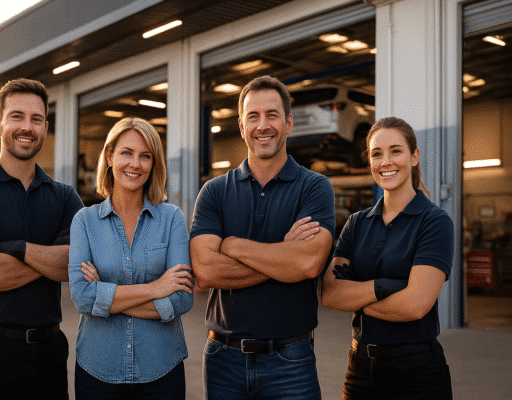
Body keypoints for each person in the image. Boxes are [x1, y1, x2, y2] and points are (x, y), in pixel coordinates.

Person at [190, 75, 335, 400]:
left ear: (289, 123)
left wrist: (233, 245)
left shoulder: (313, 187)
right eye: (253, 116)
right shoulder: (214, 191)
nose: (263, 125)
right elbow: (206, 270)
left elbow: (310, 263)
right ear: (242, 125)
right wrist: (284, 255)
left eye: (272, 115)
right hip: (222, 358)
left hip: (291, 360)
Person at [0, 78, 84, 400]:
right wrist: (52, 256)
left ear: (45, 128)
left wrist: (15, 248)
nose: (27, 127)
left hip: (50, 354)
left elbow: (78, 264)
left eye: (36, 119)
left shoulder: (64, 197)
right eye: (17, 116)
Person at [321, 116, 454, 399]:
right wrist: (386, 286)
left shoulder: (434, 222)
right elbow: (331, 294)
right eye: (376, 154)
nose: (385, 162)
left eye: (396, 151)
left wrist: (358, 294)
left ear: (414, 156)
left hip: (416, 371)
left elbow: (415, 306)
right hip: (359, 368)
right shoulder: (357, 223)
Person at [69, 117, 194, 400]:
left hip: (162, 370)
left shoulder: (172, 218)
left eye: (145, 156)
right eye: (126, 153)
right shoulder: (85, 221)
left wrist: (107, 298)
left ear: (154, 164)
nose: (135, 164)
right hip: (97, 370)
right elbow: (82, 297)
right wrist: (155, 288)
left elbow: (181, 299)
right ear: (110, 156)